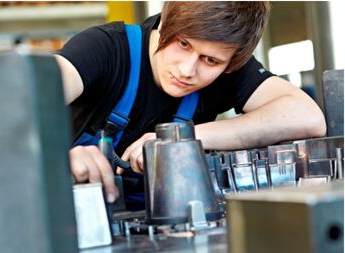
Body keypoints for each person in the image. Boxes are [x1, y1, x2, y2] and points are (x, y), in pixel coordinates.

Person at [54, 2, 326, 204]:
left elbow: (307, 116)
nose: (187, 70)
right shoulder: (104, 49)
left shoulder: (228, 66)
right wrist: (55, 158)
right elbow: (16, 102)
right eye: (183, 44)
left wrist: (184, 136)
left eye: (211, 61)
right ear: (165, 22)